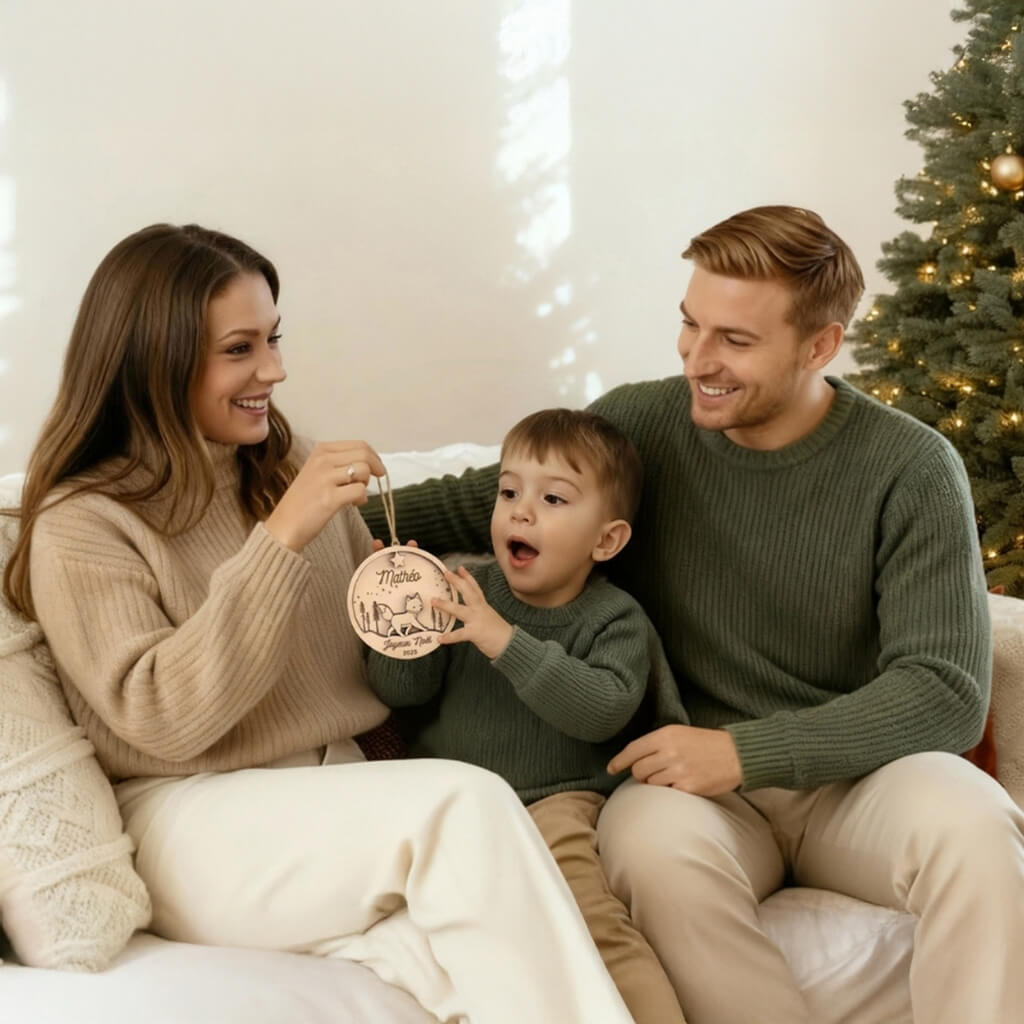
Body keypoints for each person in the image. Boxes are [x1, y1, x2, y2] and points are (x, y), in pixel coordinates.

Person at [362, 205, 1024, 1023]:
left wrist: (746, 750)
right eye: (689, 324)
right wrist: (308, 515)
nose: (697, 360)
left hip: (858, 780)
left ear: (820, 345)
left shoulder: (912, 467)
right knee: (650, 850)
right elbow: (481, 502)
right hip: (688, 785)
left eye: (734, 340)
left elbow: (945, 691)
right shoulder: (642, 423)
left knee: (978, 830)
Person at [1, 223, 637, 1024]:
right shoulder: (84, 520)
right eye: (240, 349)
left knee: (480, 966)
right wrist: (281, 539)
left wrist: (423, 596)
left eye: (273, 339)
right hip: (190, 813)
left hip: (341, 797)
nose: (274, 369)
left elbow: (373, 638)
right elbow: (162, 717)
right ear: (157, 360)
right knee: (463, 806)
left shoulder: (285, 465)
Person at [366, 407, 689, 1024]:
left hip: (553, 802)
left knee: (587, 921)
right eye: (509, 492)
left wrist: (503, 641)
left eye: (553, 499)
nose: (520, 512)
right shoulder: (464, 591)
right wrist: (404, 623)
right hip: (451, 803)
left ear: (606, 541)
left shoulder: (614, 619)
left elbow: (602, 711)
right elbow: (400, 693)